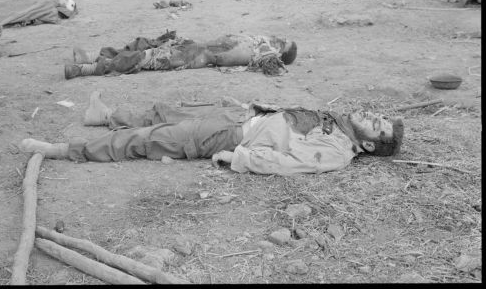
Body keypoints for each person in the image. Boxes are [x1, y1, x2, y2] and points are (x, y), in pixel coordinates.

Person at [21, 91, 404, 175]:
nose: (373, 113)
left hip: (232, 136)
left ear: (368, 144)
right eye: (379, 114)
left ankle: (64, 150)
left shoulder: (336, 150)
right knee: (166, 111)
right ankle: (105, 114)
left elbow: (288, 164)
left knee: (152, 139)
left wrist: (239, 158)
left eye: (377, 124)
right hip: (241, 117)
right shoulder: (338, 122)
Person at [64, 31, 298, 79]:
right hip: (198, 46)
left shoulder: (267, 52)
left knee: (147, 56)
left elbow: (273, 68)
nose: (281, 37)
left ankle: (85, 69)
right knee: (149, 42)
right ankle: (93, 55)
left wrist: (275, 59)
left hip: (199, 56)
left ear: (282, 51)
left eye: (285, 42)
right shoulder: (260, 39)